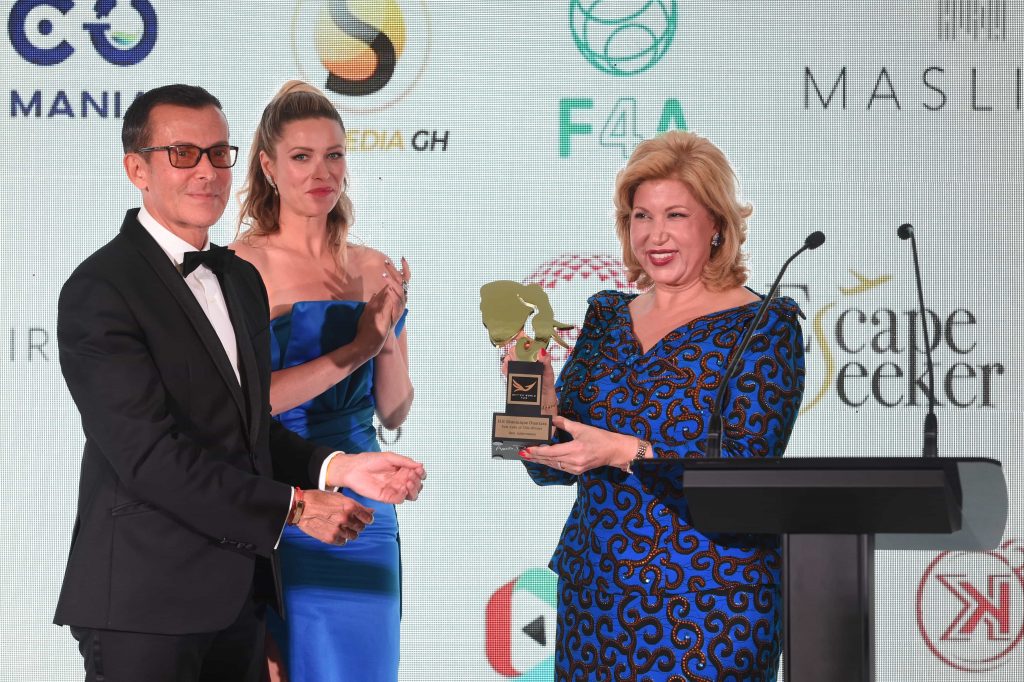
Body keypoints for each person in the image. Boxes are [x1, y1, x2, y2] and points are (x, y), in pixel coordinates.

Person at [54, 84, 425, 682]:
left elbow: (248, 428)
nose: (205, 171)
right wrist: (297, 505)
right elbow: (150, 458)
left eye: (216, 153)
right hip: (148, 602)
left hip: (243, 596)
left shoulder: (235, 280)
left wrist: (341, 467)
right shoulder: (101, 289)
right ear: (137, 170)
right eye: (182, 154)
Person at [519, 130, 805, 681]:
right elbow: (545, 465)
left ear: (716, 224)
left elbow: (746, 472)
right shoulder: (606, 316)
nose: (655, 235)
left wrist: (624, 451)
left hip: (713, 600)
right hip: (597, 598)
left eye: (676, 215)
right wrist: (535, 396)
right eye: (641, 216)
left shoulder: (765, 326)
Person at [231, 80, 413, 682]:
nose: (321, 172)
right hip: (284, 497)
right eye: (302, 156)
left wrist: (386, 335)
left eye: (333, 155)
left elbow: (394, 409)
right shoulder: (241, 266)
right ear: (268, 166)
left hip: (366, 502)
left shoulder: (373, 266)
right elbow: (248, 405)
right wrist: (359, 345)